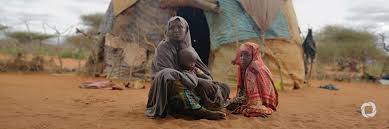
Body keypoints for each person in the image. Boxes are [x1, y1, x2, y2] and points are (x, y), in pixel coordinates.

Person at [145, 16, 230, 120]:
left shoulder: (189, 49)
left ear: (186, 30)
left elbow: (204, 72)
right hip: (168, 90)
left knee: (223, 87)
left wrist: (206, 81)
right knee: (168, 74)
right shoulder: (163, 47)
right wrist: (199, 81)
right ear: (167, 31)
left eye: (180, 27)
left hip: (190, 85)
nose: (175, 30)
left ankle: (195, 106)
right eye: (171, 28)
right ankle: (198, 110)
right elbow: (167, 76)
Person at [227, 42, 278, 117]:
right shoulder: (244, 67)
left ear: (254, 55)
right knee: (230, 104)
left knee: (236, 106)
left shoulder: (252, 68)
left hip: (261, 101)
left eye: (247, 55)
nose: (242, 58)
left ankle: (261, 109)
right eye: (241, 55)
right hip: (266, 100)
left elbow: (253, 101)